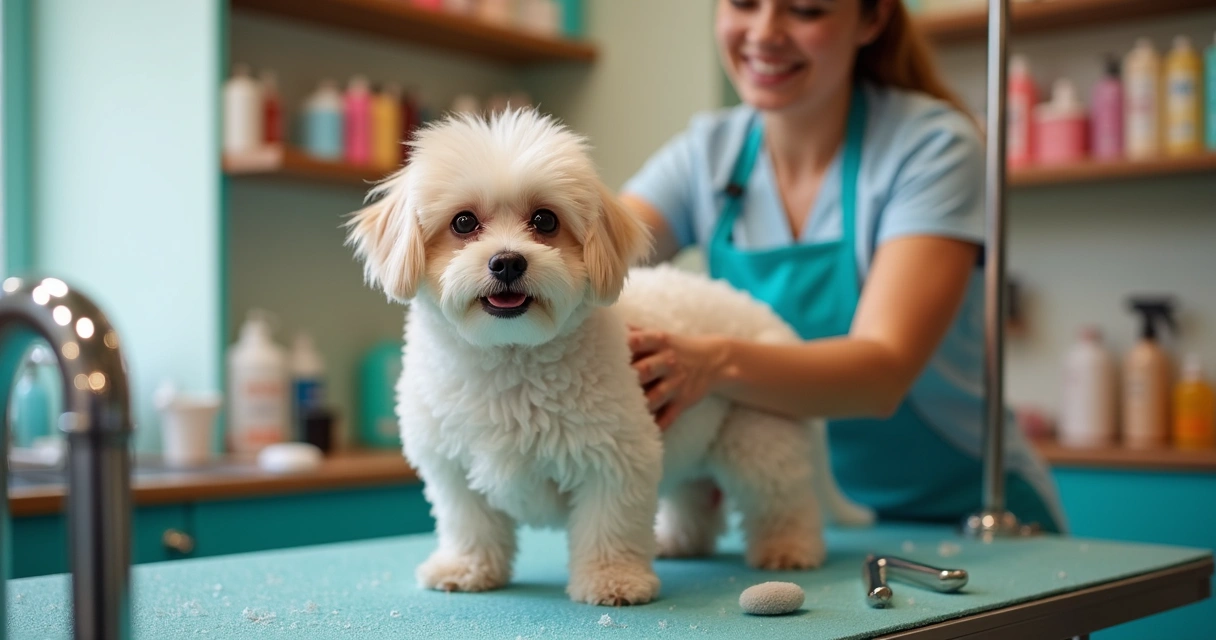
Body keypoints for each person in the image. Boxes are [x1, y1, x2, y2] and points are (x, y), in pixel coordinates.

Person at [621, 0, 1065, 532]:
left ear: (872, 19)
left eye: (806, 10)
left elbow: (881, 374)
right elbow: (590, 256)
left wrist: (712, 365)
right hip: (815, 512)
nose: (764, 33)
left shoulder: (933, 147)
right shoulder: (706, 154)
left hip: (960, 510)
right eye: (743, 2)